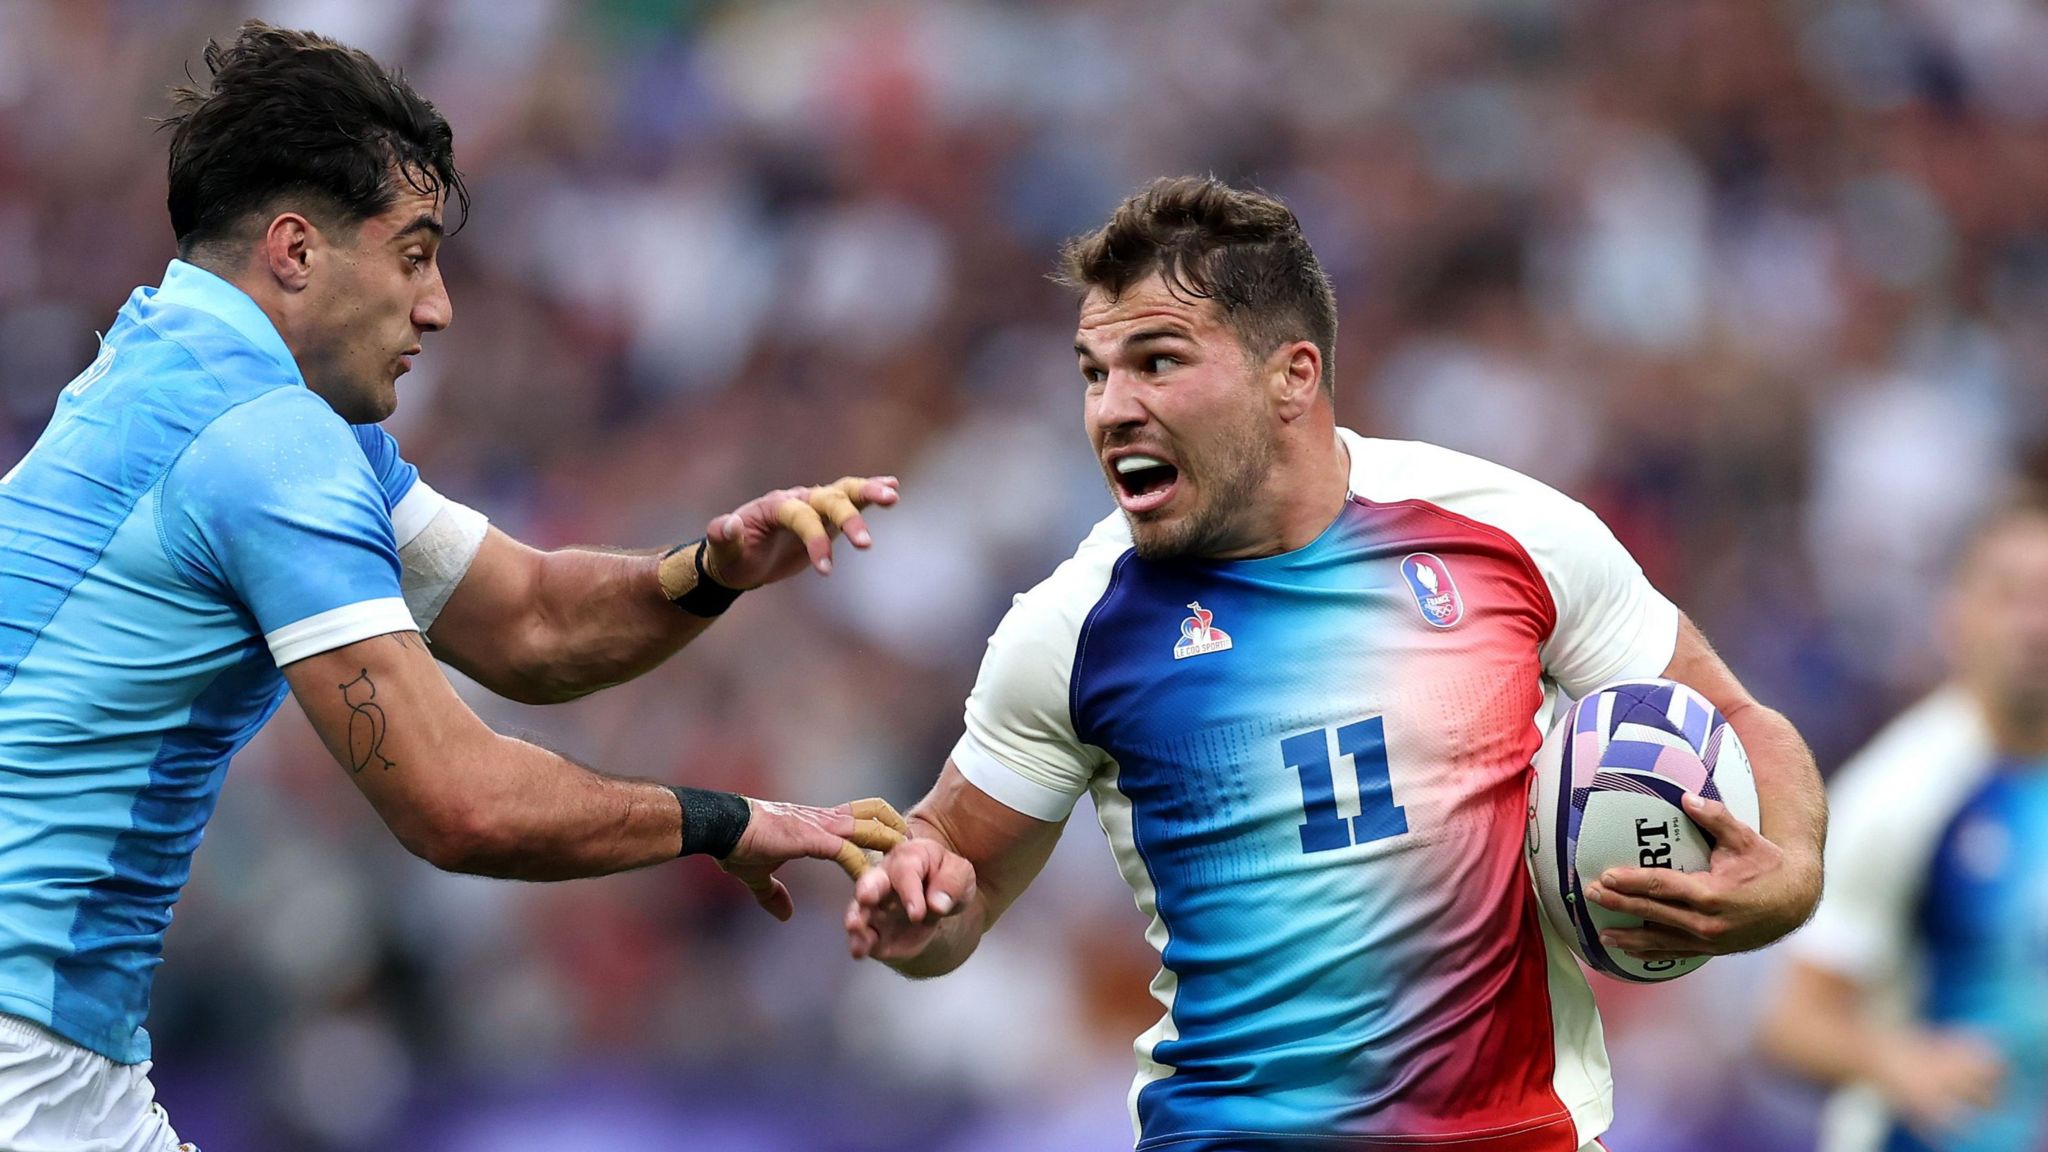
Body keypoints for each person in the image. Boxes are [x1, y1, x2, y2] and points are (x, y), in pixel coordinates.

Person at [0, 23, 908, 1151]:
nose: (437, 307)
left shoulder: (184, 370)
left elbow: (526, 623)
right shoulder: (261, 439)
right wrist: (728, 822)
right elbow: (457, 804)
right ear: (294, 249)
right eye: (414, 253)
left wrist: (708, 571)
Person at [843, 176, 1828, 1152]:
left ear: (1292, 376)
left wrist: (1783, 878)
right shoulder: (1070, 626)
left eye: (1156, 362)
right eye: (1094, 373)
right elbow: (952, 880)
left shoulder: (1502, 532)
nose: (1112, 409)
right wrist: (915, 913)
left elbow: (1731, 717)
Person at [1759, 495, 2048, 1152]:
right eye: (2010, 596)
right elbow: (1790, 1021)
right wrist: (1898, 1062)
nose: (2036, 624)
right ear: (1955, 619)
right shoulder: (1899, 794)